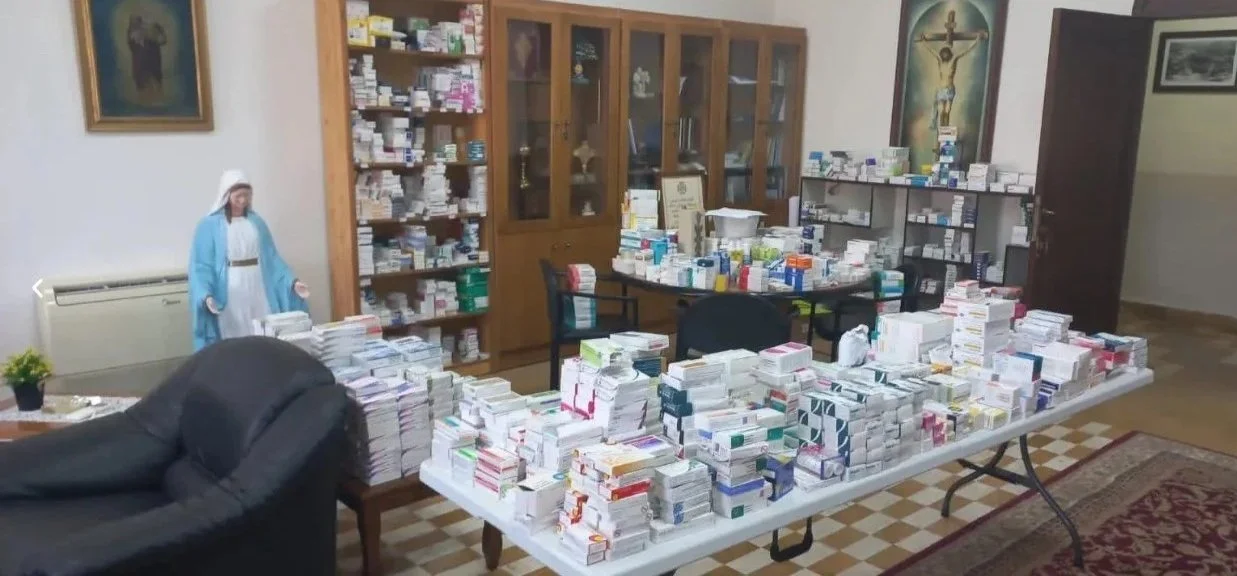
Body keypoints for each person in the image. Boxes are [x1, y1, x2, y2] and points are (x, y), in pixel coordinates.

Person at [189, 170, 309, 351]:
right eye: (238, 196)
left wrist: (292, 281)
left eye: (246, 196)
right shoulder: (209, 226)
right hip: (231, 290)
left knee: (262, 330)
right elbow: (201, 266)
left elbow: (272, 259)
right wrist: (205, 294)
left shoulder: (257, 223)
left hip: (258, 285)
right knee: (234, 333)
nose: (243, 201)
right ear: (226, 196)